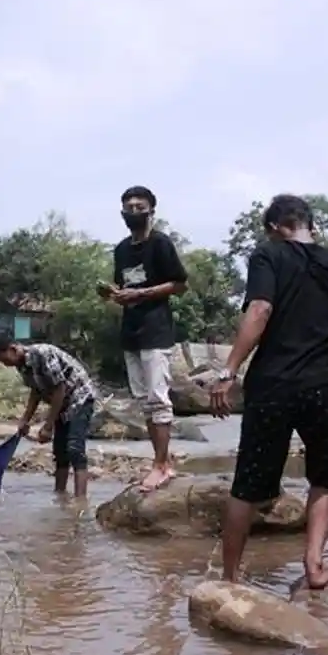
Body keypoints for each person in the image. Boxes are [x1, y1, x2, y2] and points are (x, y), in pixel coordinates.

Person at [208, 194, 328, 589]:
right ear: (311, 225)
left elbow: (260, 311)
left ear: (274, 228)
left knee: (248, 484)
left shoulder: (268, 256)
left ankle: (230, 579)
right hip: (322, 385)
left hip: (271, 383)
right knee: (323, 477)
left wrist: (228, 370)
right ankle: (314, 566)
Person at [97, 185, 189, 492]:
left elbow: (179, 284)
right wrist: (115, 294)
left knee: (158, 400)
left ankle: (162, 466)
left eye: (139, 206)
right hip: (131, 333)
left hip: (156, 330)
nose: (132, 211)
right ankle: (160, 462)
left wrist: (143, 293)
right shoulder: (122, 249)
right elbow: (125, 287)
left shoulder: (161, 244)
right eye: (128, 207)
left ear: (151, 210)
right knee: (144, 402)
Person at [0, 333, 98, 499]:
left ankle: (80, 501)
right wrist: (25, 420)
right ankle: (60, 496)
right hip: (62, 403)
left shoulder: (42, 354)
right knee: (60, 452)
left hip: (79, 397)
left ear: (12, 349)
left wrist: (48, 426)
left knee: (74, 449)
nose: (4, 364)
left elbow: (59, 389)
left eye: (3, 359)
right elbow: (36, 392)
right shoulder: (22, 365)